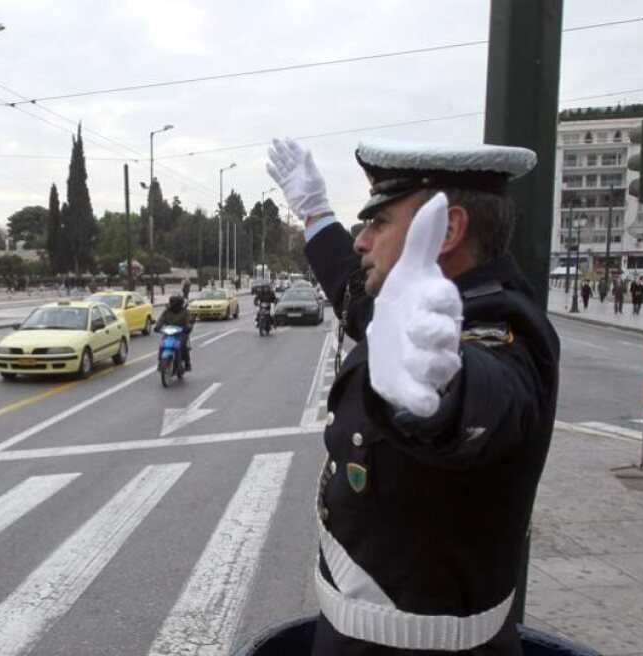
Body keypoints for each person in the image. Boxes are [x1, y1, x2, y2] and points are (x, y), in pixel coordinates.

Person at [266, 136, 560, 655]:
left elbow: (491, 400)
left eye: (378, 222)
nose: (361, 241)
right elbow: (351, 294)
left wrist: (442, 389)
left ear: (446, 231)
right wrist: (314, 214)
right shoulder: (406, 312)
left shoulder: (493, 327)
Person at [153, 295, 194, 371]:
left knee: (183, 346)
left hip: (181, 333)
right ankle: (160, 362)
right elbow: (161, 319)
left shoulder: (185, 312)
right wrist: (157, 327)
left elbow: (189, 321)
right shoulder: (167, 311)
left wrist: (188, 327)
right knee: (162, 345)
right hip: (169, 332)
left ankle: (187, 363)